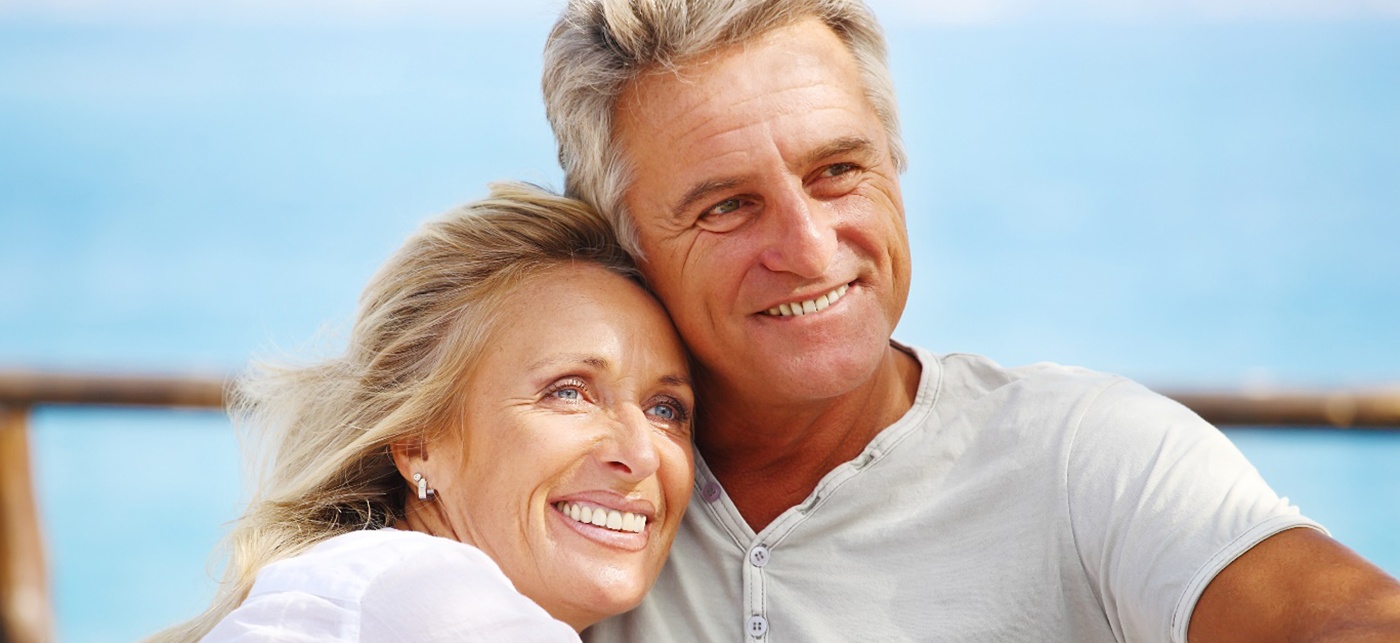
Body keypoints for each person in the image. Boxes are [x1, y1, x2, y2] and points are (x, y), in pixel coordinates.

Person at [541, 1, 1400, 640]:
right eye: (727, 206)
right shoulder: (554, 487)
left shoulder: (1083, 453)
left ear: (895, 163)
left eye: (838, 169)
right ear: (621, 242)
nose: (806, 246)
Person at [154, 182, 696, 641]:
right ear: (419, 441)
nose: (642, 452)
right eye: (569, 391)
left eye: (666, 408)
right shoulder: (434, 596)